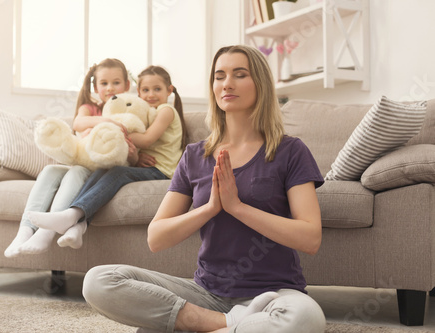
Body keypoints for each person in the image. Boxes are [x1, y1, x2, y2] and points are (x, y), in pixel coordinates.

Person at [81, 45, 327, 333]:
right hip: (205, 295)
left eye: (239, 74)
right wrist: (210, 209)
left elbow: (310, 238)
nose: (227, 84)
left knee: (306, 319)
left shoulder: (290, 151)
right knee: (99, 280)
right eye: (219, 76)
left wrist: (237, 207)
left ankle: (193, 325)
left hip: (274, 295)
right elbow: (156, 238)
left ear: (260, 83)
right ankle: (222, 324)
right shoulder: (195, 155)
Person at [26, 65, 188, 250]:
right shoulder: (146, 112)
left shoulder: (166, 110)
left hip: (162, 170)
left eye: (157, 89)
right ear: (138, 92)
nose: (151, 94)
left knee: (118, 173)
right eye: (145, 90)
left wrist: (114, 132)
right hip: (146, 167)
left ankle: (72, 214)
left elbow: (147, 139)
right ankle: (78, 224)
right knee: (105, 171)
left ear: (169, 90)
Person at [4, 58, 133, 257]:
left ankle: (47, 233)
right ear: (96, 87)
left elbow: (131, 150)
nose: (110, 88)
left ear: (127, 85)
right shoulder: (90, 108)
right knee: (49, 170)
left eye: (116, 83)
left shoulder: (129, 111)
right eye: (104, 83)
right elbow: (78, 123)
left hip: (100, 171)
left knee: (76, 172)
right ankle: (25, 230)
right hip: (82, 161)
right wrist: (106, 121)